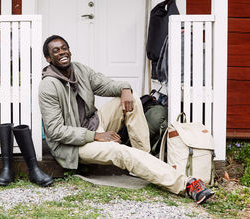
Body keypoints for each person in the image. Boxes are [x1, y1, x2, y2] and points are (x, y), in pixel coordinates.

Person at [38, 35, 214, 204]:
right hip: (74, 145)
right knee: (120, 151)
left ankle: (142, 158)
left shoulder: (79, 70)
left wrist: (125, 88)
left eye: (64, 48)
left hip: (94, 123)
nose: (62, 52)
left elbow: (104, 84)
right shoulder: (48, 86)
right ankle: (187, 184)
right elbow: (55, 131)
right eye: (56, 51)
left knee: (132, 99)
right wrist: (95, 136)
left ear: (70, 51)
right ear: (48, 58)